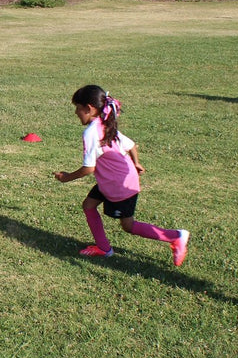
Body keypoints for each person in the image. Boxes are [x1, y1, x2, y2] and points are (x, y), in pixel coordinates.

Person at [53, 85, 189, 266]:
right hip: (111, 180)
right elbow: (131, 145)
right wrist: (136, 162)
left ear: (89, 108)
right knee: (88, 205)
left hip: (117, 184)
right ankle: (103, 248)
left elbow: (89, 168)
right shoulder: (105, 123)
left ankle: (176, 236)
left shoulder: (91, 132)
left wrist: (66, 177)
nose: (76, 112)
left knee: (128, 226)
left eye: (78, 108)